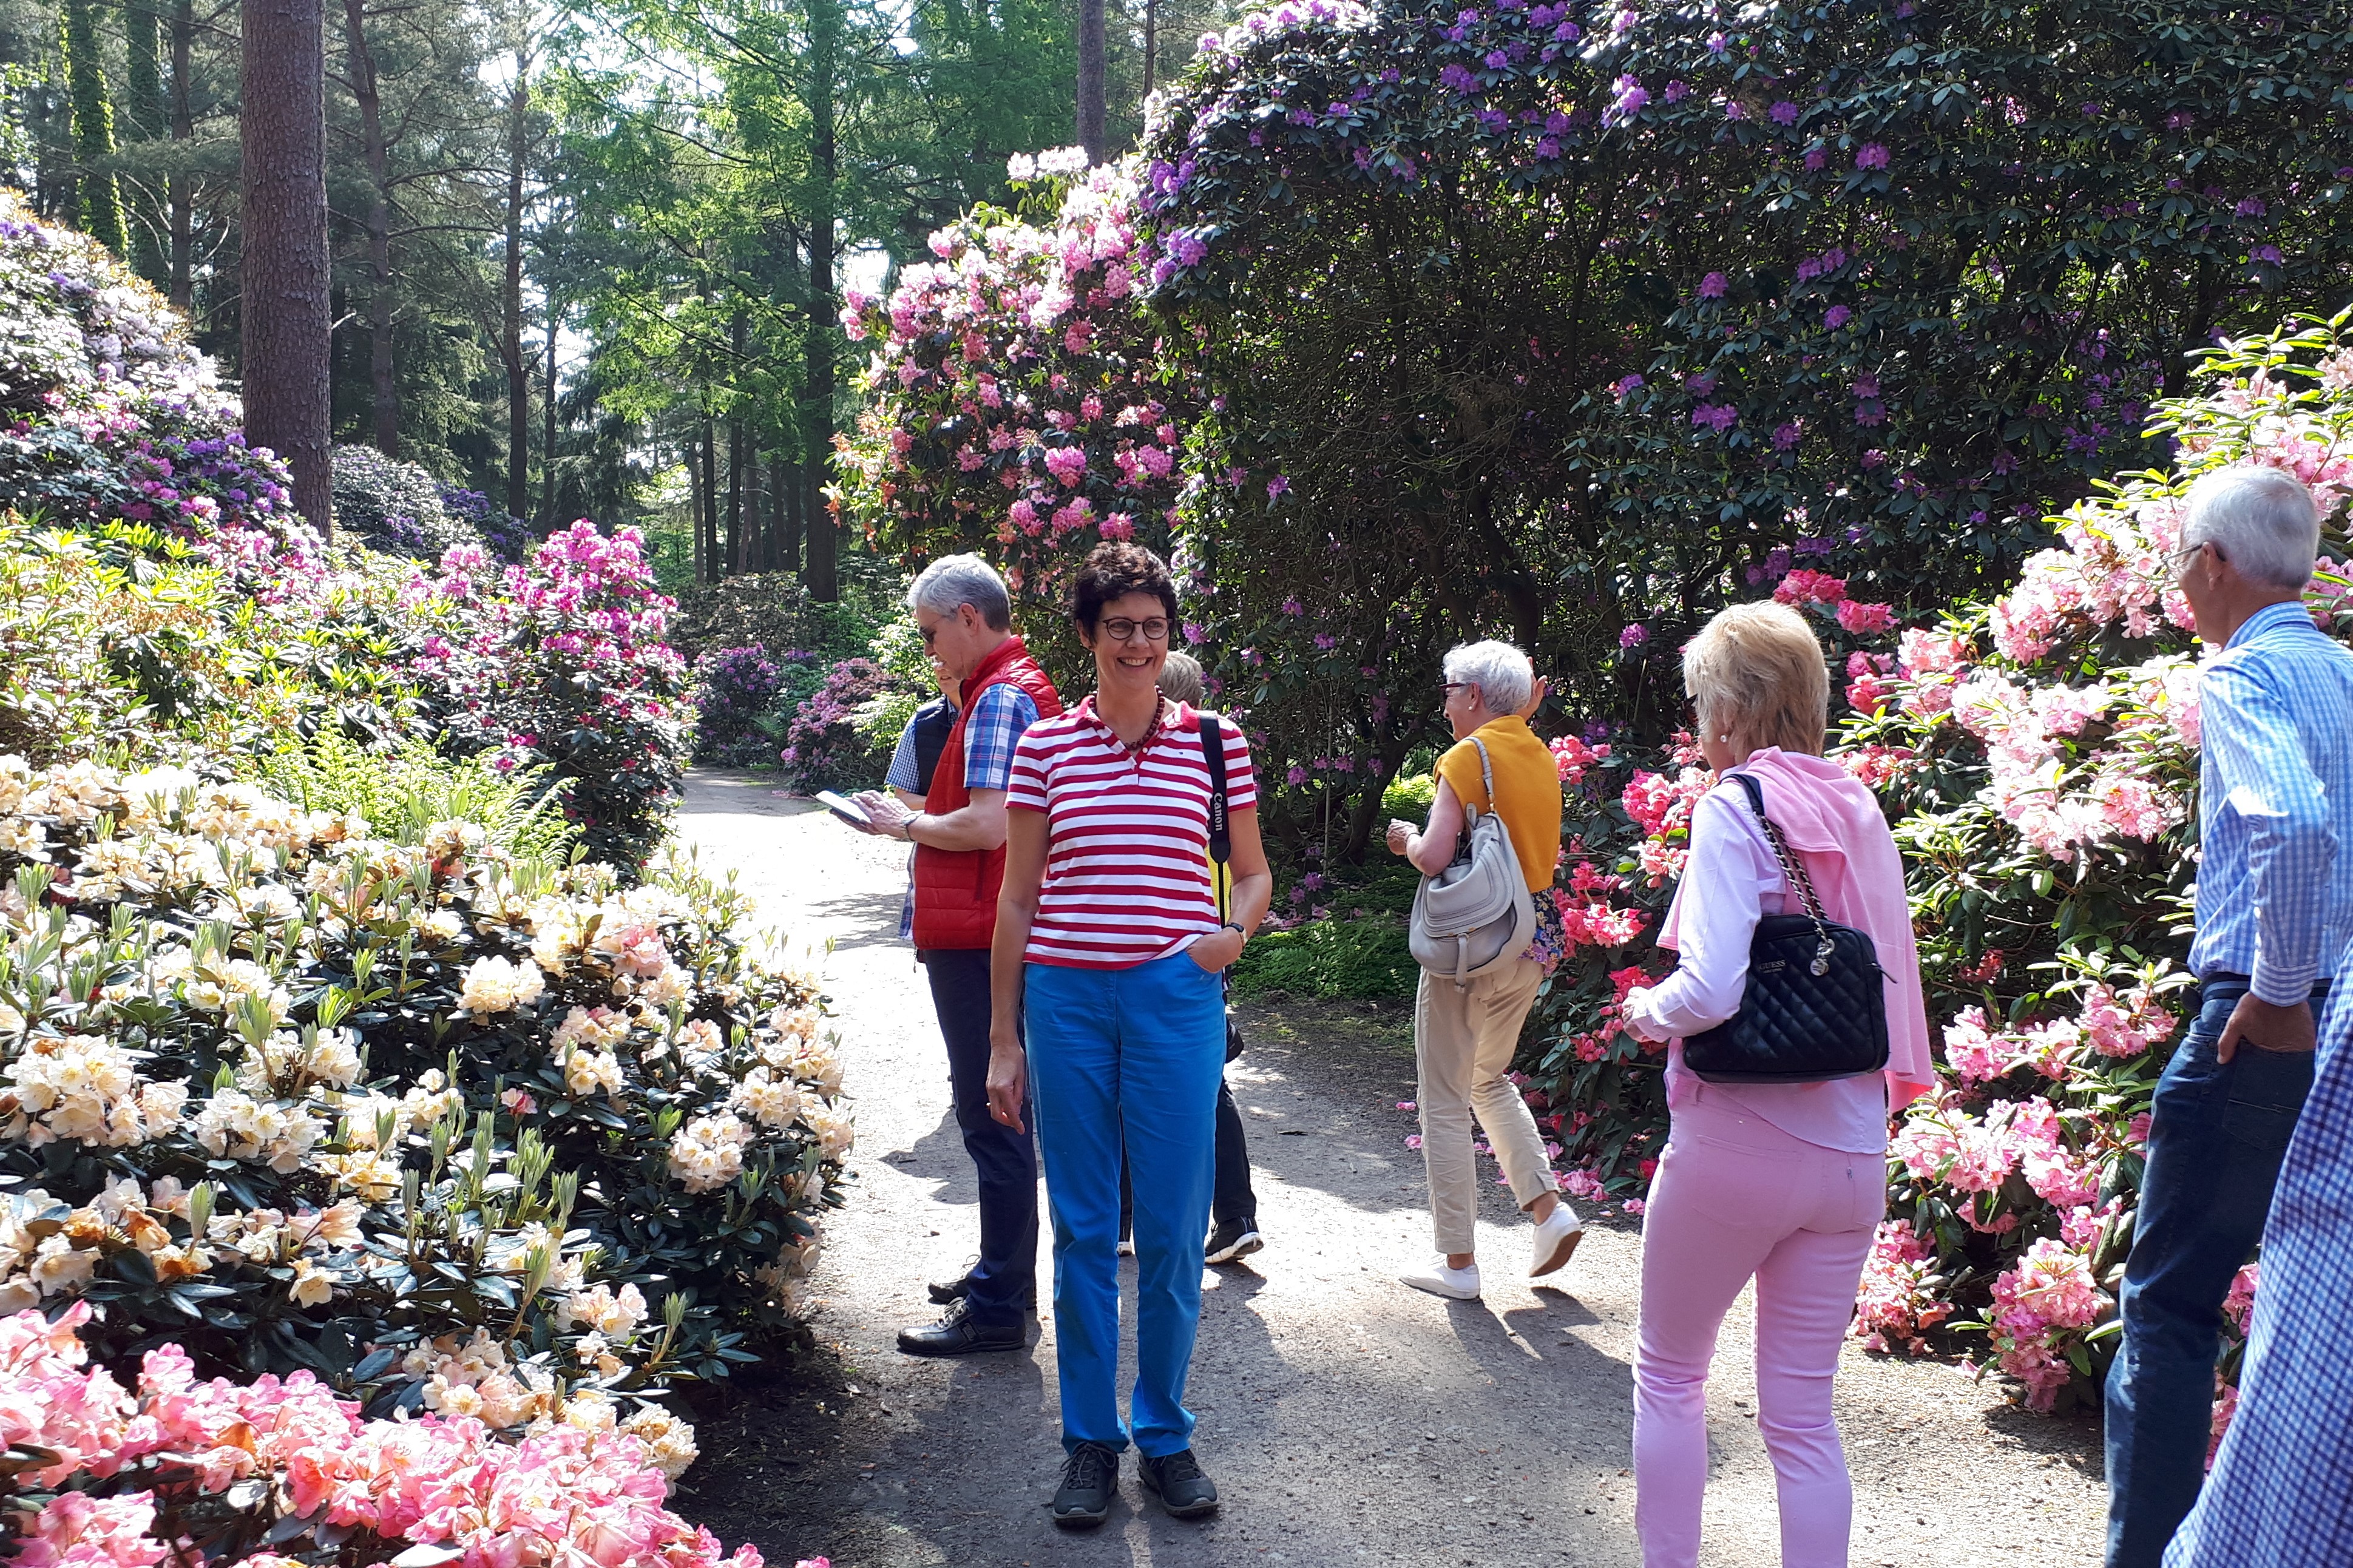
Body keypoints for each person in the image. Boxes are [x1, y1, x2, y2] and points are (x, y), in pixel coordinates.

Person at [1617, 600, 1934, 1568]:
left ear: (1732, 705)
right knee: (1801, 1418)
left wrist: (1646, 1011)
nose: (1697, 719)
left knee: (1670, 1375)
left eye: (1702, 698)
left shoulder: (1733, 807)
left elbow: (1710, 989)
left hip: (1738, 1147)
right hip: (1851, 1154)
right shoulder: (1857, 802)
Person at [986, 542, 1273, 1528]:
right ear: (1087, 635)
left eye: (1153, 625)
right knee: (1079, 1224)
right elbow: (1017, 898)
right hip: (1064, 997)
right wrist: (1001, 1038)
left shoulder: (1214, 741)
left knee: (1169, 1228)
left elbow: (1252, 869)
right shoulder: (1045, 747)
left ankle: (1162, 1432)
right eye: (1120, 626)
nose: (1139, 642)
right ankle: (1087, 1442)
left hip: (1173, 999)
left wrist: (1229, 935)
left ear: (1169, 632)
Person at [2101, 465, 2353, 1568]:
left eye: (2180, 560)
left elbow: (2292, 828)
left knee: (2166, 1303)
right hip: (2341, 1032)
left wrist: (2275, 988)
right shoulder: (2342, 672)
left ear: (2213, 562)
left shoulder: (2238, 675)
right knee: (2301, 1311)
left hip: (2269, 1026)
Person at [850, 553, 1063, 1358]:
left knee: (994, 1116)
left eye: (932, 634)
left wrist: (900, 825)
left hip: (980, 936)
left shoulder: (1000, 697)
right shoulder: (999, 691)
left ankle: (1001, 1308)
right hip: (982, 930)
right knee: (996, 1114)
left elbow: (987, 824)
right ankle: (997, 1277)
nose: (930, 652)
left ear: (969, 618)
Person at [1384, 639, 1582, 1299]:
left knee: (1443, 1097)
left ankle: (1459, 1265)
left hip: (1472, 945)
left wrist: (1404, 840)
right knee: (1487, 1078)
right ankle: (1549, 1211)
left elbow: (1437, 855)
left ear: (1471, 693)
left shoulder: (1468, 755)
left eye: (1447, 689)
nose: (1444, 701)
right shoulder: (1538, 752)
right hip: (1531, 941)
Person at [1116, 649, 1264, 1265]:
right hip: (1206, 941)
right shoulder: (1208, 758)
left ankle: (1151, 1220)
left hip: (1183, 945)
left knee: (1149, 1082)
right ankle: (1233, 1216)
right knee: (1204, 1083)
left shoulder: (1206, 751)